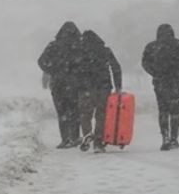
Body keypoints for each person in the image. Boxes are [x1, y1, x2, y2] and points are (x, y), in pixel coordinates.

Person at [142, 24, 179, 151]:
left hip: (160, 83)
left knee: (163, 110)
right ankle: (174, 138)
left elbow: (145, 63)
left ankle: (165, 137)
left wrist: (155, 72)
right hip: (176, 82)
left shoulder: (151, 47)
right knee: (175, 110)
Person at [38, 21, 82, 149]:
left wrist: (52, 70)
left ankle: (65, 139)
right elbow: (86, 63)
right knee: (74, 111)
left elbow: (41, 61)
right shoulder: (79, 45)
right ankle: (75, 137)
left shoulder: (53, 46)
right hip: (74, 84)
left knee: (62, 112)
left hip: (57, 83)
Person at [77, 30, 122, 153]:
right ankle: (98, 142)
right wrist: (118, 85)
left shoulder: (80, 52)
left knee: (85, 114)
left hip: (85, 88)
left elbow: (72, 69)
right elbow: (116, 67)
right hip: (103, 87)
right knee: (101, 115)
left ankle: (87, 134)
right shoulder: (105, 50)